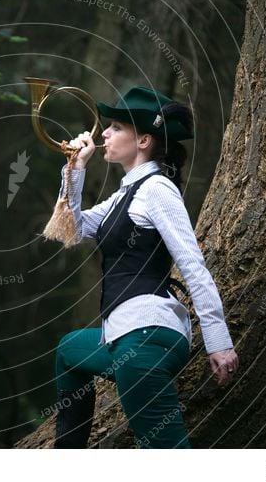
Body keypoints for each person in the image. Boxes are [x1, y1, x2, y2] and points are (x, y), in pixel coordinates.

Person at [52, 85, 238, 449]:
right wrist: (74, 169)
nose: (103, 133)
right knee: (69, 351)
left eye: (116, 127)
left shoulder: (157, 190)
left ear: (144, 140)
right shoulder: (125, 193)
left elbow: (192, 265)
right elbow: (71, 231)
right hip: (124, 338)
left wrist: (219, 341)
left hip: (148, 336)